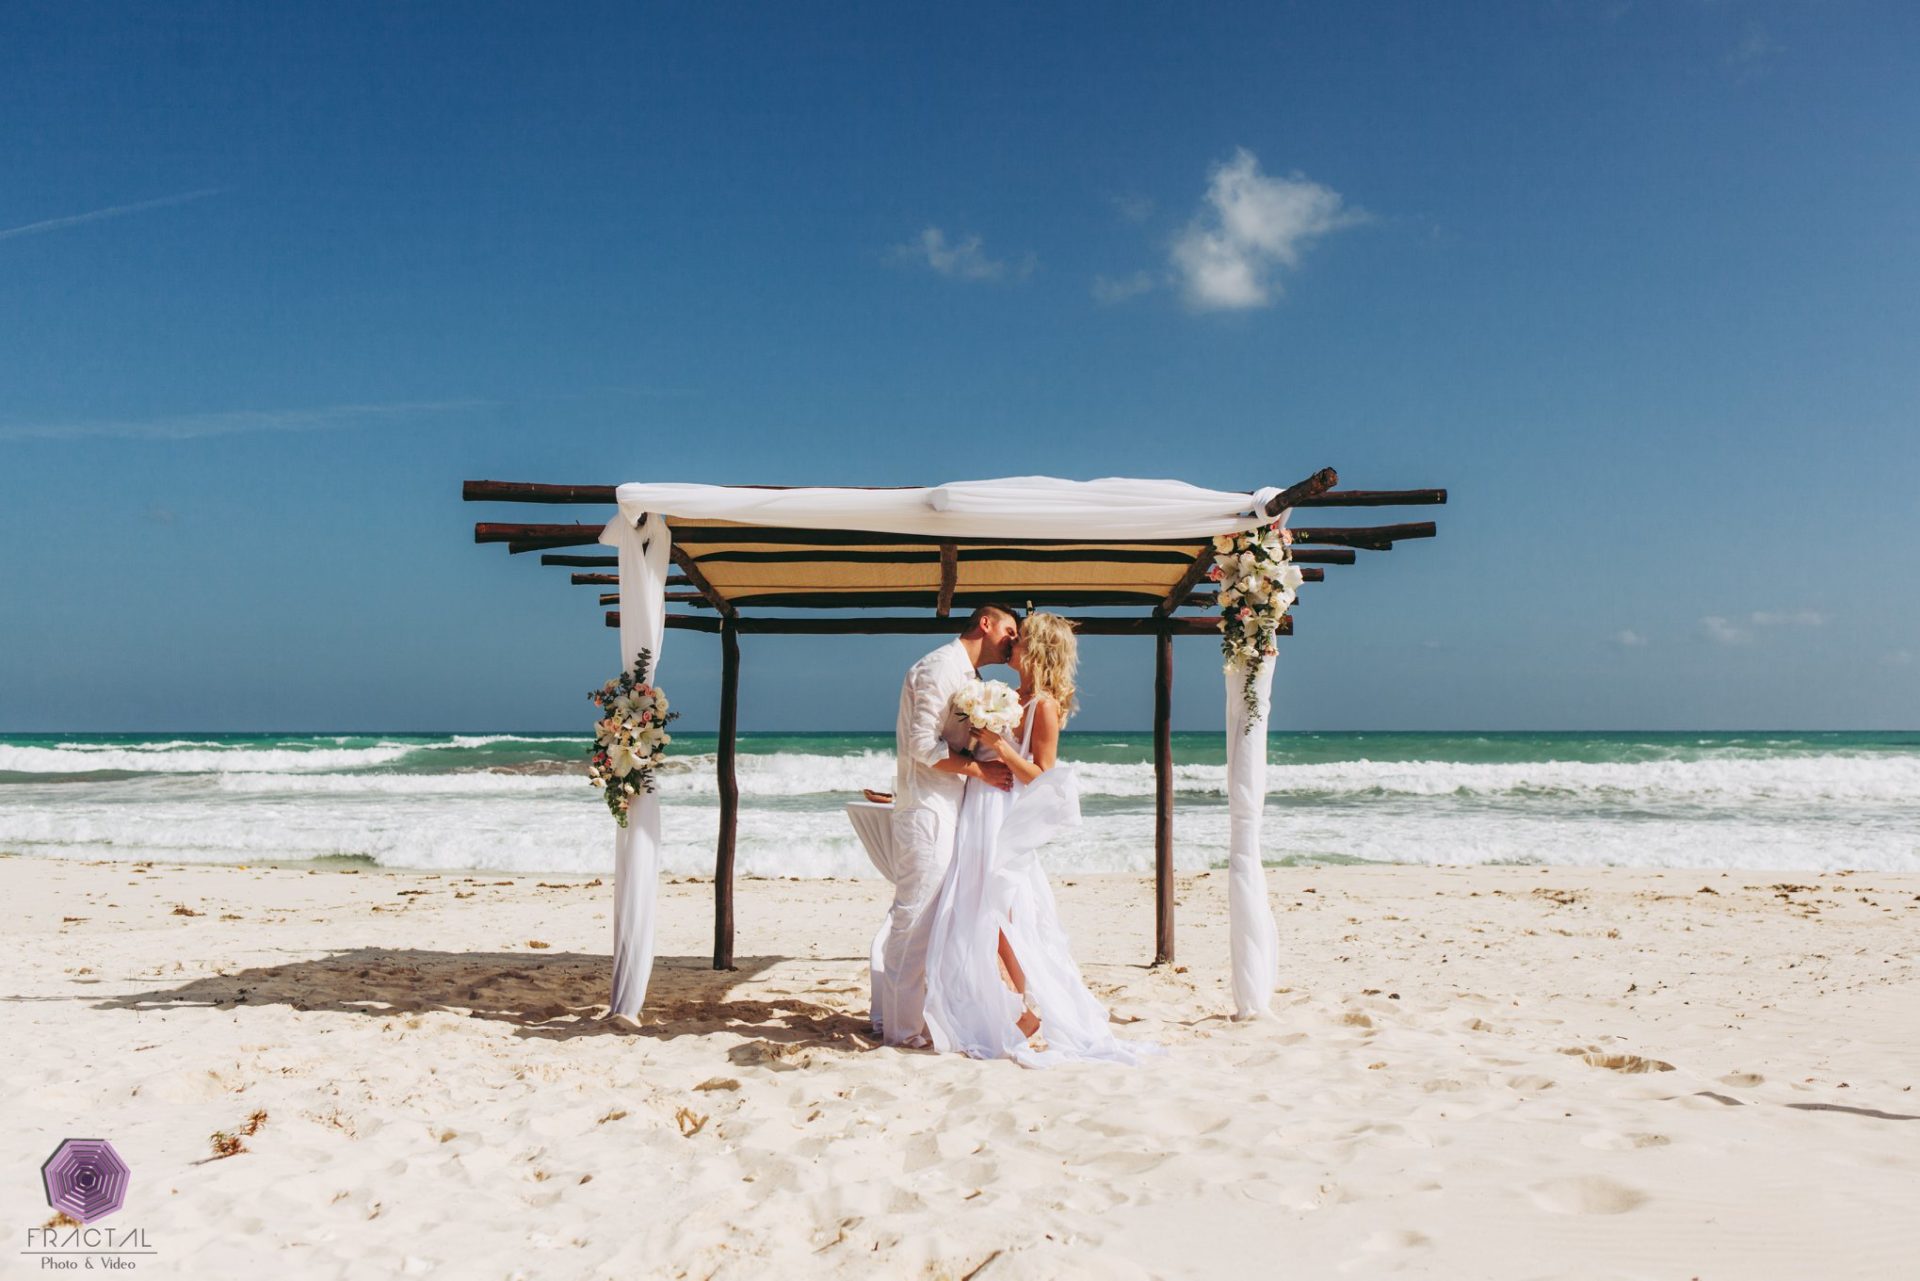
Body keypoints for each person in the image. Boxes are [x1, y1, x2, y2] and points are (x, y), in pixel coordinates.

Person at [920, 612, 1159, 1067]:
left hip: (1003, 814)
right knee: (976, 909)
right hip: (978, 806)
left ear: (1038, 650)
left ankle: (1030, 1008)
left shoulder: (1042, 706)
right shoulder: (1008, 696)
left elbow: (1042, 777)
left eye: (1022, 638)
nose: (1012, 642)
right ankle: (1013, 1004)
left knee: (1001, 911)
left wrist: (1001, 746)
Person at [872, 602, 1021, 1046]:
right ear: (986, 623)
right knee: (913, 919)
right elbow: (921, 745)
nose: (1013, 640)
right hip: (927, 809)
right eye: (1010, 630)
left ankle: (897, 1017)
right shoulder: (938, 668)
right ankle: (900, 1030)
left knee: (926, 918)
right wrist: (982, 772)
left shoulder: (971, 678)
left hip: (949, 806)